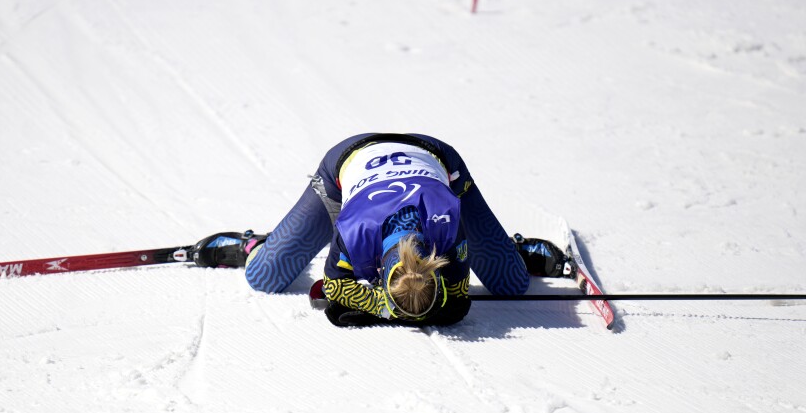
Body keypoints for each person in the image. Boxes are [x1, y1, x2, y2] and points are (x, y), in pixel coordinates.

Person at [192, 133, 571, 327]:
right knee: (265, 276)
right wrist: (385, 306)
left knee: (511, 282)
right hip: (348, 166)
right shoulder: (354, 230)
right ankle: (257, 245)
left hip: (438, 165)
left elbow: (455, 297)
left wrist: (388, 308)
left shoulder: (446, 229)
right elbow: (336, 286)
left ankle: (508, 250)